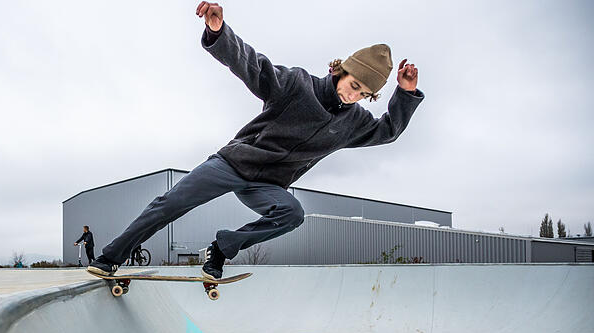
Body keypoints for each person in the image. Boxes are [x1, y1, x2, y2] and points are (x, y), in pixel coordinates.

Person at [88, 2, 423, 279]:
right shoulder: (296, 85)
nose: (354, 98)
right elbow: (252, 65)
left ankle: (221, 248)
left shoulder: (353, 123)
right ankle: (111, 257)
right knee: (171, 203)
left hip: (269, 184)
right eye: (354, 87)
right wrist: (219, 32)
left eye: (364, 95)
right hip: (234, 164)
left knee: (292, 214)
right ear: (341, 71)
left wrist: (405, 95)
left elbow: (387, 130)